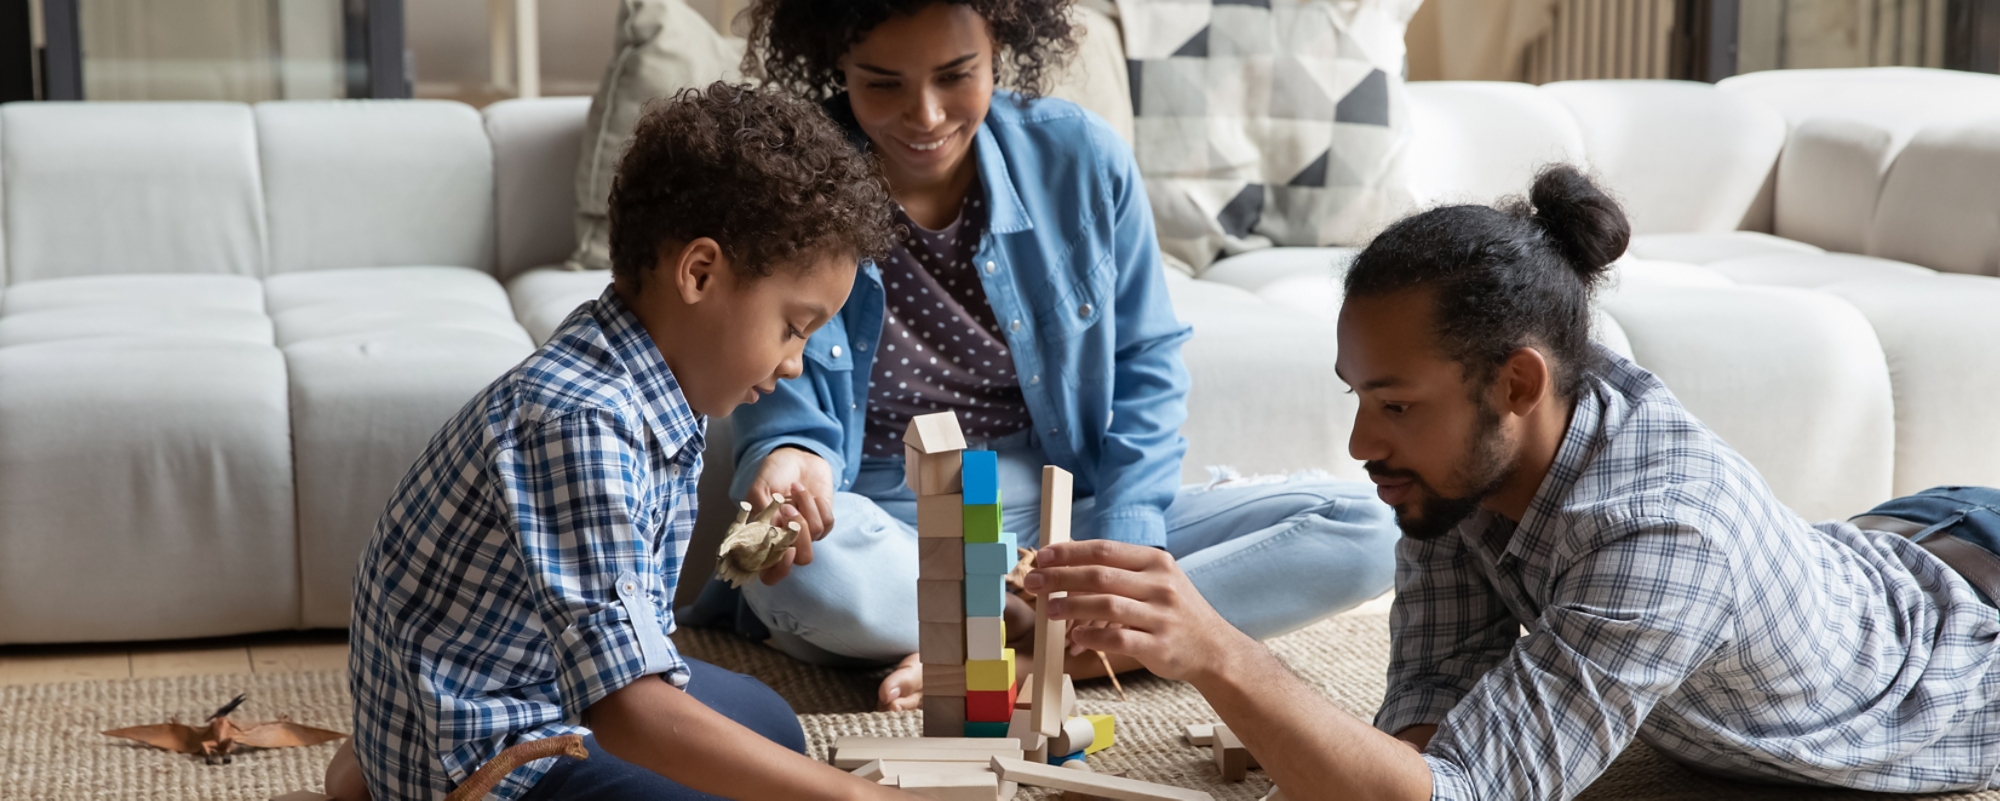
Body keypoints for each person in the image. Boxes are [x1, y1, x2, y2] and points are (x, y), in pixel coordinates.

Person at [1025, 165, 2000, 799]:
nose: (1361, 440)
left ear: (1516, 385)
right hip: (1892, 542)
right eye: (1358, 397)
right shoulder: (1465, 458)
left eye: (1394, 404)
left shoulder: (1663, 540)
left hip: (1968, 636)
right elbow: (1434, 689)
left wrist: (1221, 655)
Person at [681, 0, 1401, 710]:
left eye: (956, 75)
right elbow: (777, 394)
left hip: (1063, 514)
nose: (926, 116)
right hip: (887, 522)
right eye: (883, 83)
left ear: (1001, 42)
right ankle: (1083, 631)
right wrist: (786, 455)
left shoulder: (1080, 156)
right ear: (835, 61)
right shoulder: (788, 186)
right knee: (796, 570)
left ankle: (1027, 651)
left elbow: (1146, 362)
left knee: (1366, 528)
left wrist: (1123, 546)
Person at [322, 83, 908, 801]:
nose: (794, 363)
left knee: (774, 728)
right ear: (699, 273)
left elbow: (625, 575)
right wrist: (857, 795)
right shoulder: (580, 420)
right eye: (794, 326)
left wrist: (750, 546)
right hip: (490, 751)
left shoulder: (651, 370)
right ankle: (390, 775)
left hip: (544, 680)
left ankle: (378, 760)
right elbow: (630, 713)